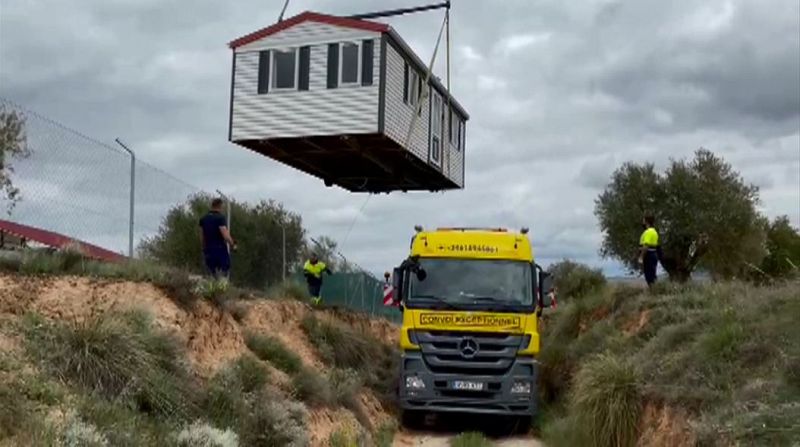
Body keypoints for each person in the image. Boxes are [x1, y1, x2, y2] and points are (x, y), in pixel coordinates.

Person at [199, 198, 236, 279]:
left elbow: (202, 237)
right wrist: (233, 244)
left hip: (208, 249)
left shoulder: (203, 219)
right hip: (219, 249)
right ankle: (221, 289)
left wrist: (204, 249)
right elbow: (225, 235)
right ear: (220, 206)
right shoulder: (220, 218)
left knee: (211, 273)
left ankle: (212, 288)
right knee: (223, 272)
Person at [638, 214, 660, 288]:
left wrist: (641, 257)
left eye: (643, 220)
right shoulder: (654, 232)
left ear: (647, 222)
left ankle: (654, 291)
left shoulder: (649, 232)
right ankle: (654, 290)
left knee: (650, 276)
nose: (642, 222)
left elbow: (646, 245)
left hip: (649, 255)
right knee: (652, 274)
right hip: (653, 254)